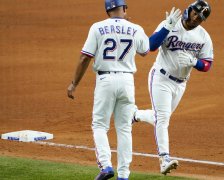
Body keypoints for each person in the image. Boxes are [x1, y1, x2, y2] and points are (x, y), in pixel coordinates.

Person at [66, 0, 150, 179]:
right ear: (125, 8)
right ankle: (124, 175)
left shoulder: (97, 27)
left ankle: (105, 166)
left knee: (99, 125)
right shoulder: (135, 28)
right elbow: (145, 50)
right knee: (124, 128)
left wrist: (74, 84)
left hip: (105, 80)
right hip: (127, 81)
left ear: (107, 12)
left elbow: (84, 58)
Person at [133, 0, 214, 175]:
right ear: (189, 10)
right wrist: (167, 27)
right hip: (161, 78)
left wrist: (195, 62)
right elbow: (150, 47)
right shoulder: (169, 24)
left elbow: (208, 65)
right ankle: (164, 159)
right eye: (194, 13)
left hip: (181, 83)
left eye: (199, 18)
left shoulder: (203, 36)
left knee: (160, 118)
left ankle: (135, 114)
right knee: (163, 119)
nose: (195, 18)